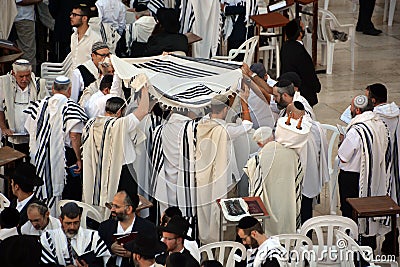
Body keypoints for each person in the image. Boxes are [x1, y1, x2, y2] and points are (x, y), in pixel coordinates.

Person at [24, 76, 88, 215]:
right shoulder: (71, 107)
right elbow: (74, 135)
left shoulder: (38, 105)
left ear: (52, 89)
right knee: (67, 192)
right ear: (69, 91)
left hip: (39, 156)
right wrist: (79, 158)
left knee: (42, 186)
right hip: (65, 157)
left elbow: (29, 129)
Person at [196, 90, 253, 244]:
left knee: (207, 214)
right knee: (225, 218)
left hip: (203, 179)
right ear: (226, 110)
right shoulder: (226, 130)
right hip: (224, 181)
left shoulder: (201, 124)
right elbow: (248, 125)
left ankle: (207, 246)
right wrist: (244, 101)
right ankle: (224, 250)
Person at [82, 85, 150, 213]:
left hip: (97, 169)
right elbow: (143, 111)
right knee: (128, 206)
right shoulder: (120, 124)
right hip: (123, 172)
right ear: (120, 112)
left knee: (106, 205)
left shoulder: (91, 123)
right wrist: (144, 89)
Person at [338, 95, 390, 249]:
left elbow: (343, 156)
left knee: (350, 214)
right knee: (368, 211)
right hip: (374, 175)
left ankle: (352, 248)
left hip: (352, 179)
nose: (350, 110)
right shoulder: (379, 124)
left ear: (358, 110)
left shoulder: (356, 130)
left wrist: (342, 140)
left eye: (351, 107)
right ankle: (369, 246)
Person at [244, 124, 306, 236]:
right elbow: (299, 179)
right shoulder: (293, 155)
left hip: (268, 210)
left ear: (259, 143)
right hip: (288, 206)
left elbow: (253, 185)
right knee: (287, 232)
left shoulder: (257, 160)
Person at [365, 83, 400, 255]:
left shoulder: (373, 118)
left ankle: (369, 245)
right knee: (392, 203)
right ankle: (392, 245)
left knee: (372, 203)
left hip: (379, 167)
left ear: (372, 100)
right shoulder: (397, 113)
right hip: (396, 166)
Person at [151, 109, 198, 220]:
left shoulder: (160, 129)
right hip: (187, 181)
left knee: (166, 217)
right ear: (188, 111)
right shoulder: (191, 129)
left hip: (166, 180)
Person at [0, 59, 48, 154]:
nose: (25, 79)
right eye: (21, 76)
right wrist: (4, 128)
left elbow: (47, 108)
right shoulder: (4, 84)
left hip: (33, 138)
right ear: (13, 74)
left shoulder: (39, 84)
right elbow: (0, 108)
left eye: (27, 76)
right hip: (12, 138)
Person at [41, 202, 110, 266]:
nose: (72, 227)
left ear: (80, 219)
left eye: (76, 223)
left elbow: (105, 262)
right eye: (68, 223)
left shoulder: (93, 237)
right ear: (61, 220)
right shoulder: (48, 238)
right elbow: (45, 264)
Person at [98, 190, 156, 267]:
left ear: (129, 209)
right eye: (112, 205)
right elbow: (97, 253)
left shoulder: (148, 228)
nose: (112, 209)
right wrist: (110, 248)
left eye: (116, 206)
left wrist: (133, 254)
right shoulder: (105, 227)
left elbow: (151, 256)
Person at [281, 18, 321, 107]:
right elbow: (308, 74)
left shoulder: (285, 46)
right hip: (302, 92)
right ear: (300, 33)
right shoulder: (300, 52)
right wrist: (317, 87)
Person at [7, 162, 43, 226]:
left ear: (16, 187)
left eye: (12, 182)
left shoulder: (36, 210)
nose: (11, 184)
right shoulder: (14, 202)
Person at [70, 3, 102, 70]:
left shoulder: (95, 39)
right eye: (71, 14)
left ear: (84, 18)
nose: (71, 17)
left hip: (88, 78)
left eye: (75, 15)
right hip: (74, 76)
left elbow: (99, 62)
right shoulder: (73, 36)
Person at [12, 0, 41, 72]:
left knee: (27, 50)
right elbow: (19, 1)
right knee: (28, 51)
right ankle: (28, 77)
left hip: (25, 18)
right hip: (23, 18)